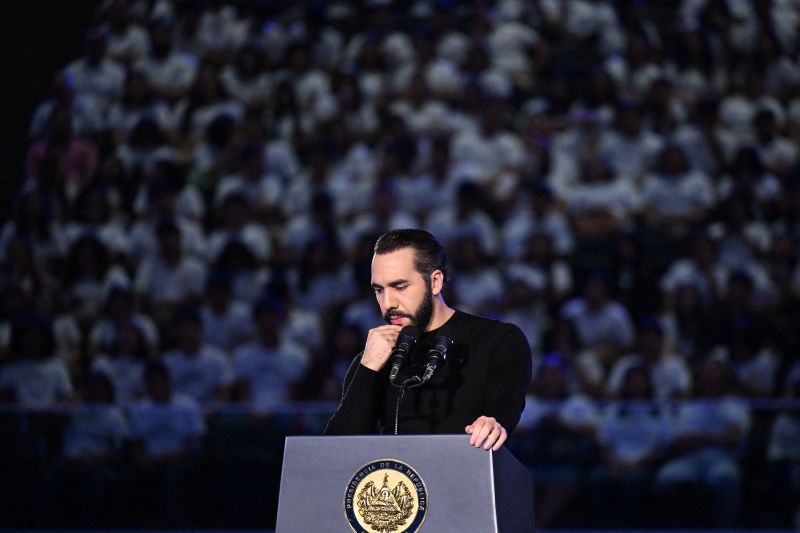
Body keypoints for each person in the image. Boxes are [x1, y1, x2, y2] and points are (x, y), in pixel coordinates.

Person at [324, 229, 531, 451]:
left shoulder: (497, 339)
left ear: (435, 282)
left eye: (399, 287)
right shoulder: (375, 358)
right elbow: (335, 451)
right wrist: (368, 367)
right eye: (379, 290)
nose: (388, 303)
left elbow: (503, 408)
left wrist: (494, 423)